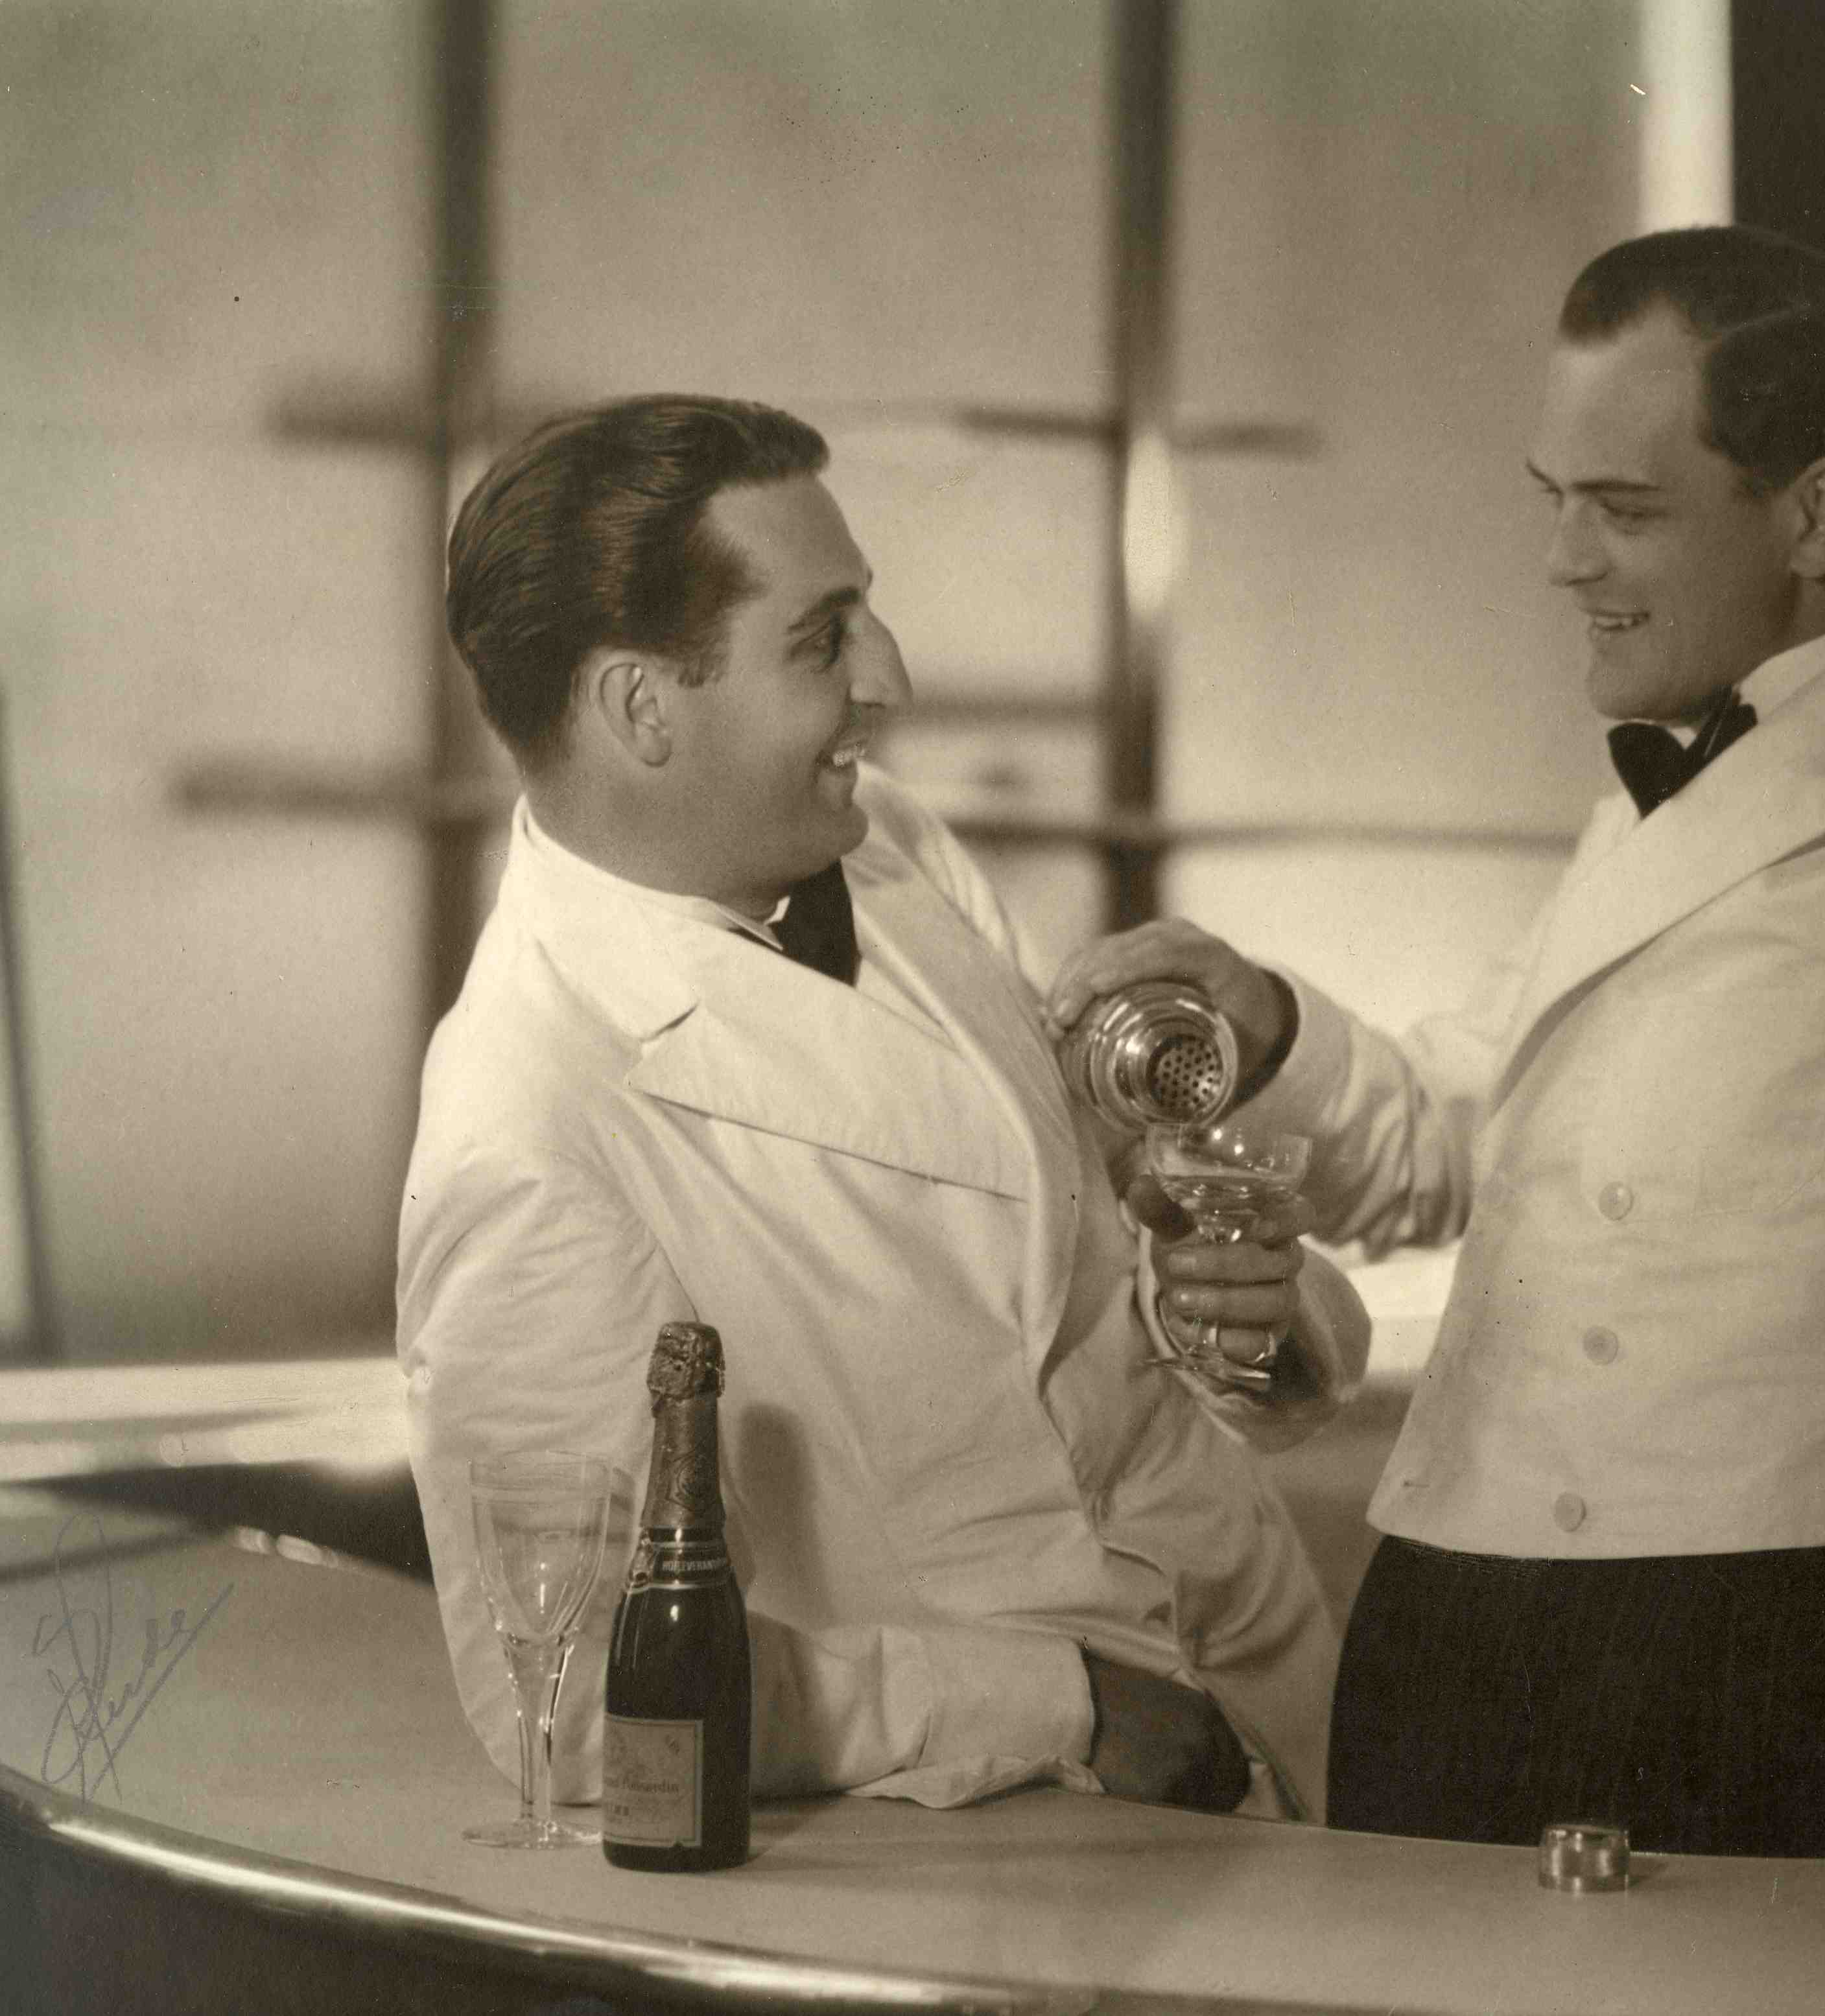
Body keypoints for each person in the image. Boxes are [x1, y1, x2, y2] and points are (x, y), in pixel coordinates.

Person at [1046, 226, 1825, 1875]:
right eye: (1552, 498)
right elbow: (1456, 1149)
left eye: (1624, 509)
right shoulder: (1653, 804)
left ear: (1817, 514)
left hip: (1718, 1669)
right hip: (1437, 1630)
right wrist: (1268, 1020)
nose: (1564, 560)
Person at [398, 394, 1371, 1825]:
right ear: (640, 708)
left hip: (1281, 1666)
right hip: (1035, 1823)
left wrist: (1245, 1321)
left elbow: (1064, 1297)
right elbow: (586, 1699)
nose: (892, 677)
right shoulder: (529, 1126)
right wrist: (1064, 1703)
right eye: (822, 637)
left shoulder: (886, 843)